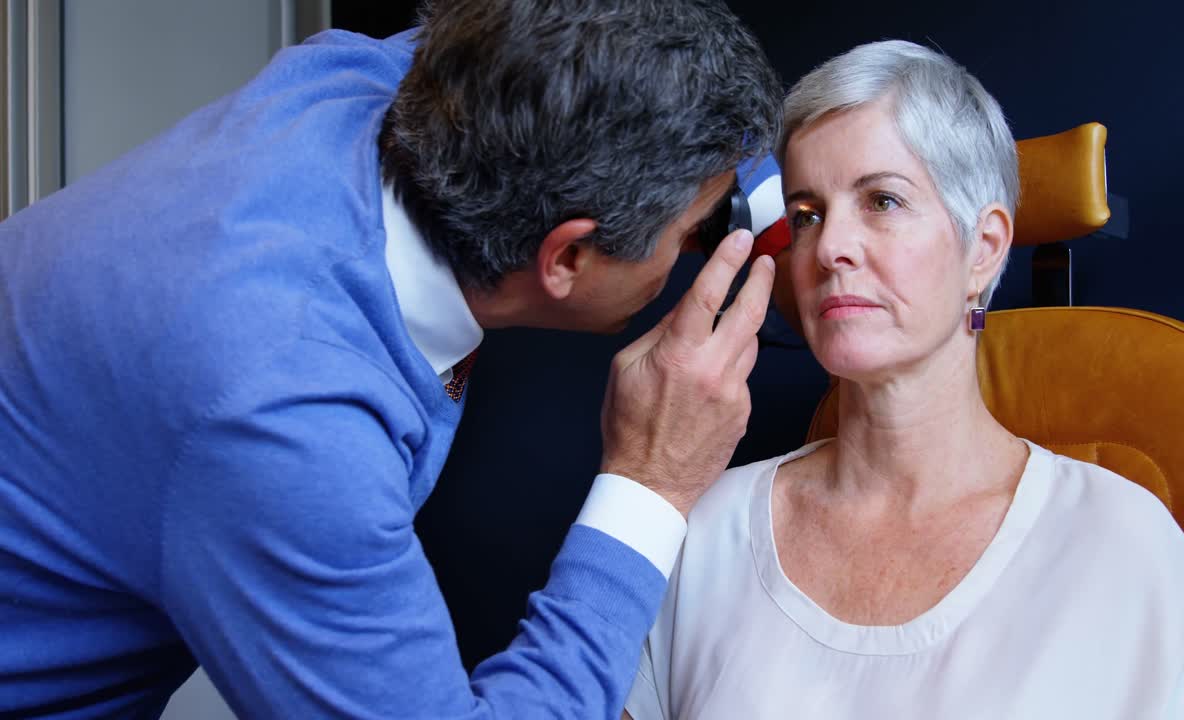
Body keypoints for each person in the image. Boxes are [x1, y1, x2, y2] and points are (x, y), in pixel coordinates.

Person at [0, 1, 782, 717]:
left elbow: (593, 50)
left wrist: (778, 209)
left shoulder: (383, 75)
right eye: (695, 232)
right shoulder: (284, 419)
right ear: (568, 258)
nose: (697, 248)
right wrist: (652, 483)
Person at [624, 40, 1184, 719]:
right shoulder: (704, 534)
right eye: (806, 215)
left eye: (881, 199)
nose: (828, 247)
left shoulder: (1128, 548)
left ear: (984, 248)